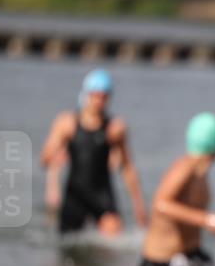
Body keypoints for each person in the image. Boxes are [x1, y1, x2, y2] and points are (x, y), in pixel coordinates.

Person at [137, 113, 215, 266]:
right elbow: (161, 203)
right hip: (159, 264)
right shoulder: (185, 167)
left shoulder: (202, 174)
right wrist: (206, 220)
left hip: (189, 258)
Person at [39, 69, 147, 235]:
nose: (99, 101)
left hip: (102, 193)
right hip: (75, 194)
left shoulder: (115, 128)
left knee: (114, 240)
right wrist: (53, 169)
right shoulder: (67, 123)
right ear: (87, 94)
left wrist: (138, 206)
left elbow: (128, 169)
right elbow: (44, 159)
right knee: (67, 245)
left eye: (104, 96)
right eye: (95, 95)